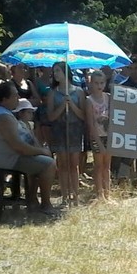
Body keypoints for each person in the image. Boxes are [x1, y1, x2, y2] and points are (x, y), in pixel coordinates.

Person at [0, 81, 56, 215]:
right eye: (15, 96)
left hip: (8, 156)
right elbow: (19, 147)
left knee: (38, 161)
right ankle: (46, 204)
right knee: (49, 164)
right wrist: (42, 151)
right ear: (4, 99)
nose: (18, 99)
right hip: (9, 159)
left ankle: (32, 200)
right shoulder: (3, 117)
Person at [47, 61, 85, 206]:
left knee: (74, 164)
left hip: (75, 129)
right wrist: (63, 105)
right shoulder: (52, 93)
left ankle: (75, 196)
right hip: (59, 129)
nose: (55, 74)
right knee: (62, 164)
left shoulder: (79, 92)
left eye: (58, 71)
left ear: (65, 73)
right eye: (54, 71)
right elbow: (50, 117)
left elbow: (83, 115)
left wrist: (72, 105)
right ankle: (64, 196)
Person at [85, 70, 112, 201]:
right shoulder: (89, 101)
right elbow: (91, 125)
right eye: (96, 83)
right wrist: (99, 143)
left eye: (102, 83)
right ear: (91, 83)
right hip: (97, 136)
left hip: (109, 135)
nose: (99, 86)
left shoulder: (109, 97)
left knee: (107, 166)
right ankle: (99, 194)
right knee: (98, 165)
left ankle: (108, 193)